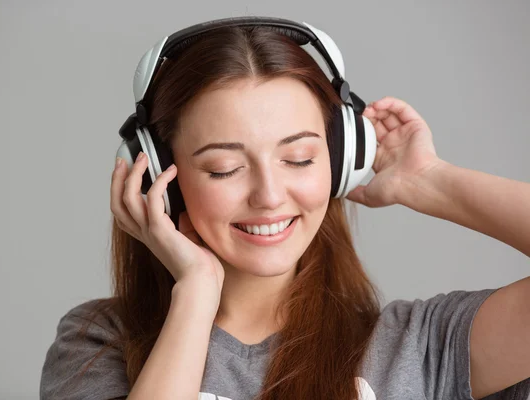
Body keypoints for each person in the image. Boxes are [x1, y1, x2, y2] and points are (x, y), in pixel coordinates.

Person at [40, 20, 530, 400]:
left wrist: (430, 181)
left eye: (298, 159)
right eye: (224, 168)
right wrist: (195, 293)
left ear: (340, 163)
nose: (270, 195)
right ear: (160, 178)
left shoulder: (419, 346)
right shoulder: (99, 342)